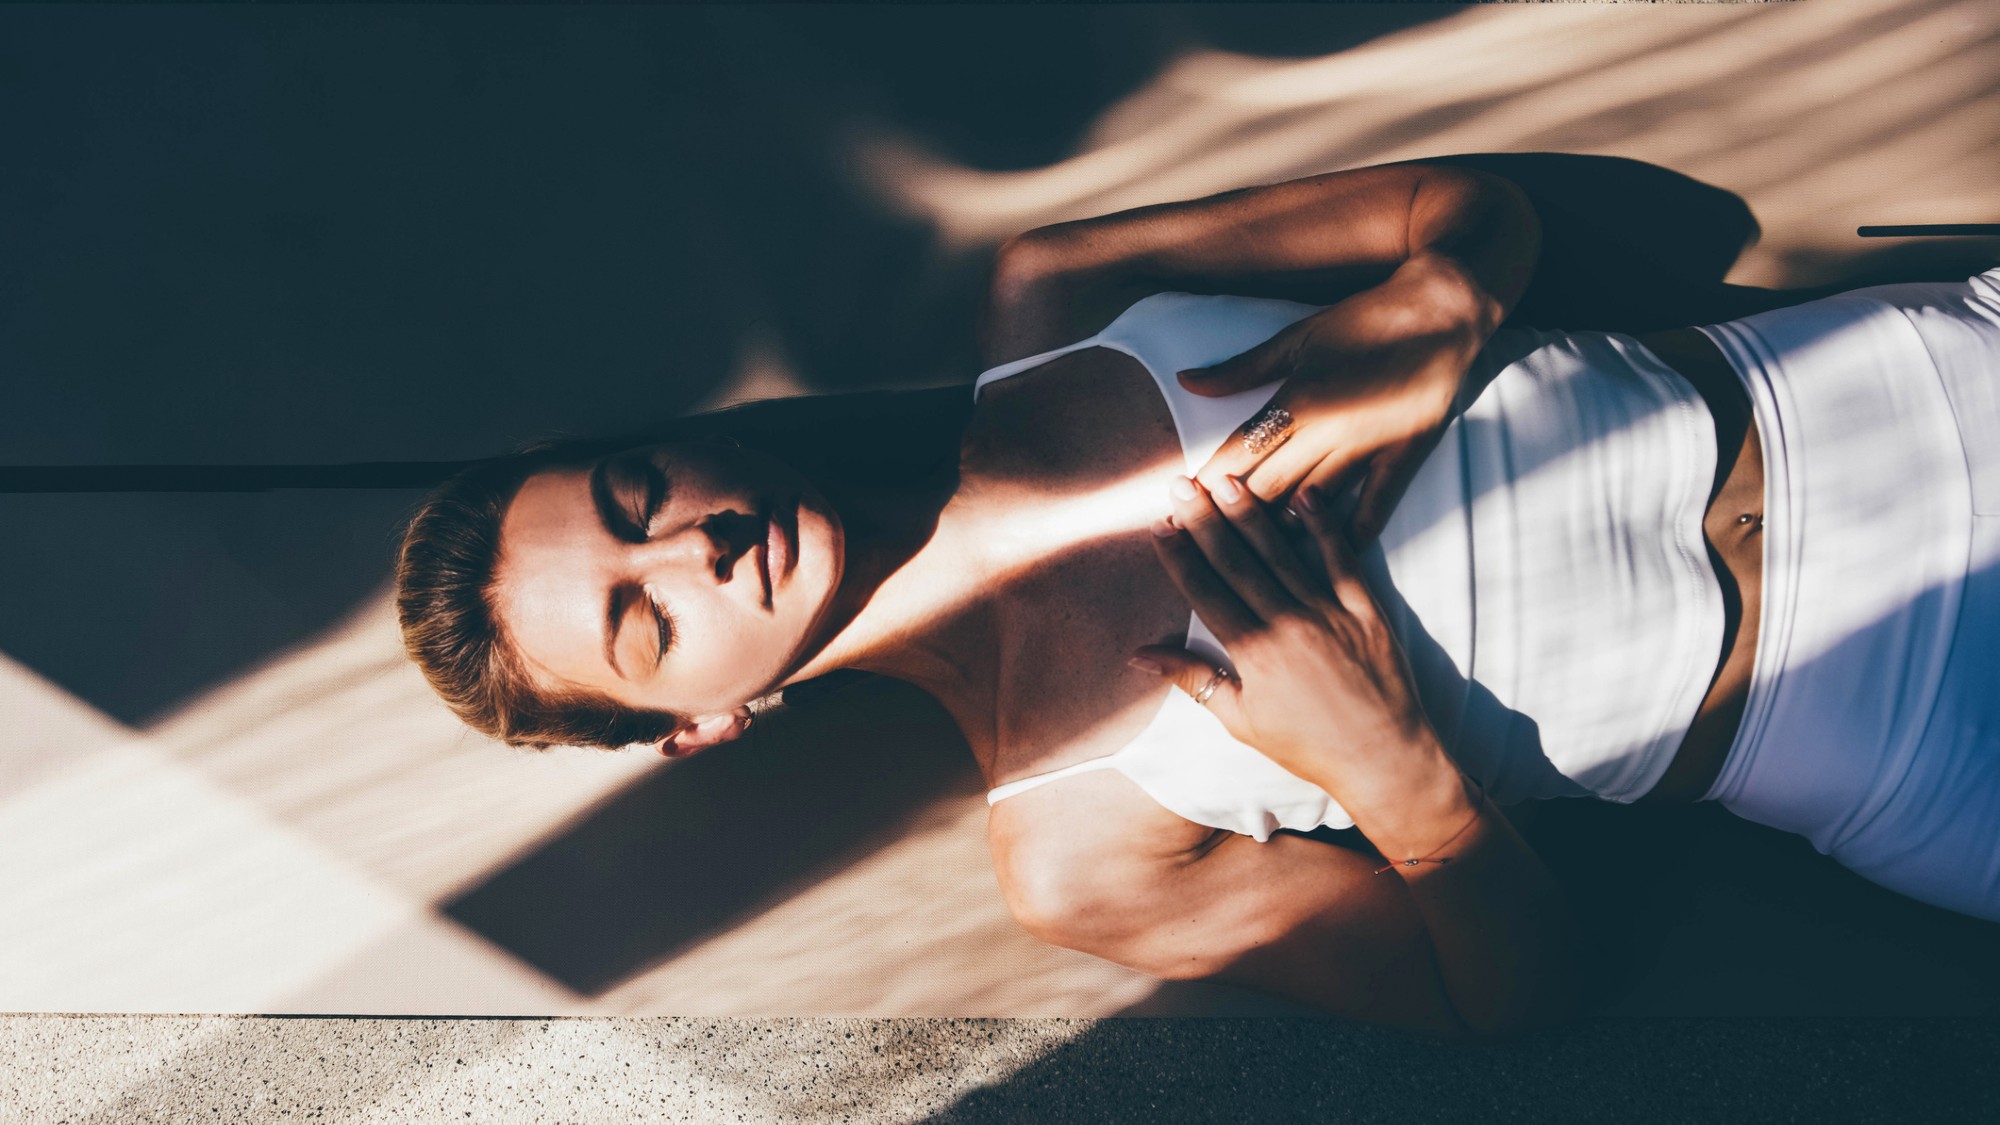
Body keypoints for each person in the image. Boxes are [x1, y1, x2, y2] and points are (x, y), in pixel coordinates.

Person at [395, 161, 2000, 1036]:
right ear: (700, 724)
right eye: (642, 618)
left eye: (634, 503)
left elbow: (1462, 209)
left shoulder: (1060, 300)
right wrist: (1398, 778)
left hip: (1913, 375)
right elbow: (1514, 1006)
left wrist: (1441, 303)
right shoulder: (1081, 854)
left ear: (668, 447)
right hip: (1916, 743)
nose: (693, 550)